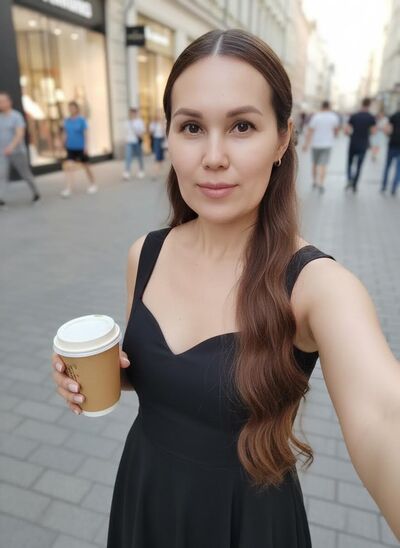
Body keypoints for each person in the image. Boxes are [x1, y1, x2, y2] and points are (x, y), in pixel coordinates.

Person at [51, 29, 400, 546]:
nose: (213, 156)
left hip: (247, 522)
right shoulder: (145, 254)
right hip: (146, 494)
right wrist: (103, 377)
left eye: (242, 126)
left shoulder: (317, 286)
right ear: (168, 135)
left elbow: (384, 418)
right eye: (192, 127)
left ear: (282, 138)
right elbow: (170, 380)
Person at [0, 91, 40, 207]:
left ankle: (36, 193)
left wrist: (11, 147)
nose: (1, 104)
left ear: (9, 102)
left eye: (3, 101)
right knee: (1, 175)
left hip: (17, 152)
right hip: (2, 153)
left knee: (25, 174)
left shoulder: (16, 116)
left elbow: (19, 133)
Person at [60, 101, 97, 198]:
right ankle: (68, 188)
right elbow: (65, 133)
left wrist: (86, 146)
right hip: (70, 148)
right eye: (69, 108)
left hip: (81, 148)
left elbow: (86, 134)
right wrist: (63, 143)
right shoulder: (67, 120)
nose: (71, 109)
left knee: (87, 167)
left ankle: (93, 184)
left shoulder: (81, 120)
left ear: (76, 109)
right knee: (69, 167)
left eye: (73, 108)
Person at [302, 100, 340, 193]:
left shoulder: (316, 117)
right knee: (323, 165)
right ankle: (321, 184)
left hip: (316, 144)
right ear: (329, 107)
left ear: (322, 107)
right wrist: (334, 135)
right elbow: (336, 131)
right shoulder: (333, 117)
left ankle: (314, 182)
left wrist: (306, 144)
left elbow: (310, 131)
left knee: (314, 164)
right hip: (327, 145)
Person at [344, 97, 376, 192]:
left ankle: (349, 179)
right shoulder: (371, 117)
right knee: (359, 165)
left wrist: (351, 135)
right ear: (369, 105)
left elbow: (346, 130)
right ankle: (355, 184)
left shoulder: (354, 115)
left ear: (362, 104)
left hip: (353, 142)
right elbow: (373, 131)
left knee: (350, 163)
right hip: (363, 144)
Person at [380, 108, 400, 196]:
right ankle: (394, 188)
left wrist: (389, 135)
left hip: (393, 143)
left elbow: (386, 129)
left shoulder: (394, 115)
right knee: (398, 169)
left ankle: (384, 186)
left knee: (387, 166)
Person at [122, 107, 146, 180]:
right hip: (129, 142)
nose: (132, 114)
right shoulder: (127, 122)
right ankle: (127, 172)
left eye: (133, 113)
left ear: (136, 113)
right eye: (131, 113)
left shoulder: (139, 122)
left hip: (137, 141)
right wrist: (125, 139)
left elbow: (142, 131)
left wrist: (139, 133)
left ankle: (141, 170)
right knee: (128, 157)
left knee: (139, 156)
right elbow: (125, 132)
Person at [149, 108, 167, 178]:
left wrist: (163, 126)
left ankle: (160, 169)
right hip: (156, 140)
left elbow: (166, 133)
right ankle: (155, 173)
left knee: (162, 157)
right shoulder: (154, 123)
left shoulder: (165, 122)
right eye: (158, 113)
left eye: (160, 113)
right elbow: (151, 132)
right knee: (157, 157)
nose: (159, 115)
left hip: (163, 140)